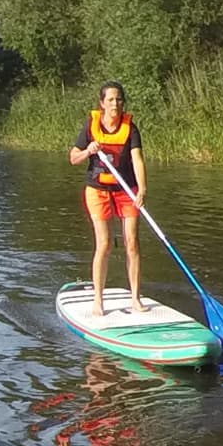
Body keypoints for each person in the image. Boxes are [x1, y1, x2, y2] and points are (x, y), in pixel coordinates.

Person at [67, 82, 145, 315]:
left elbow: (138, 160)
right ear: (102, 103)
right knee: (105, 243)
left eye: (119, 99)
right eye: (110, 100)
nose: (115, 104)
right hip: (97, 189)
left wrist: (142, 189)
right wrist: (88, 150)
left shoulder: (131, 129)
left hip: (126, 189)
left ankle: (135, 299)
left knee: (132, 242)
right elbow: (73, 158)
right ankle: (98, 301)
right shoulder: (90, 127)